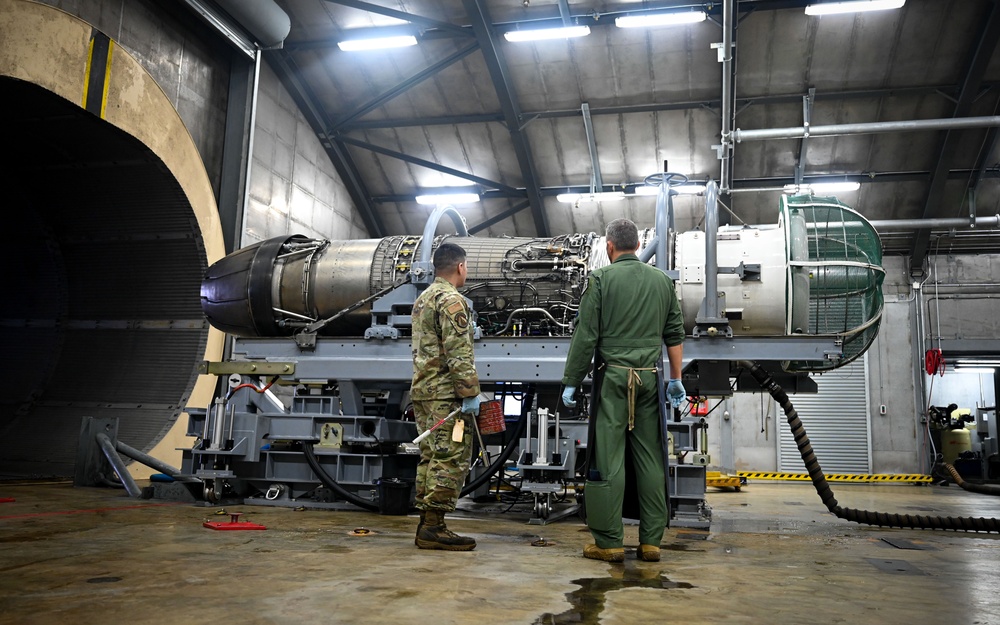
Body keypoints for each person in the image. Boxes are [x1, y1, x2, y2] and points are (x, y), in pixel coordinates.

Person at [561, 218, 686, 563]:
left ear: (609, 246)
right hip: (649, 379)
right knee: (650, 459)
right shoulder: (662, 281)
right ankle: (651, 542)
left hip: (613, 382)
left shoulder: (600, 280)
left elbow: (585, 337)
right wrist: (675, 378)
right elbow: (674, 334)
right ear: (636, 245)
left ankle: (610, 542)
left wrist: (571, 381)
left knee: (609, 459)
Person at [410, 242, 481, 551]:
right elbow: (459, 353)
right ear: (460, 267)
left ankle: (427, 521)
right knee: (450, 457)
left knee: (430, 457)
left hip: (424, 391)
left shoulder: (423, 299)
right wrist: (470, 393)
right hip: (445, 396)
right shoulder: (452, 301)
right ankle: (434, 527)